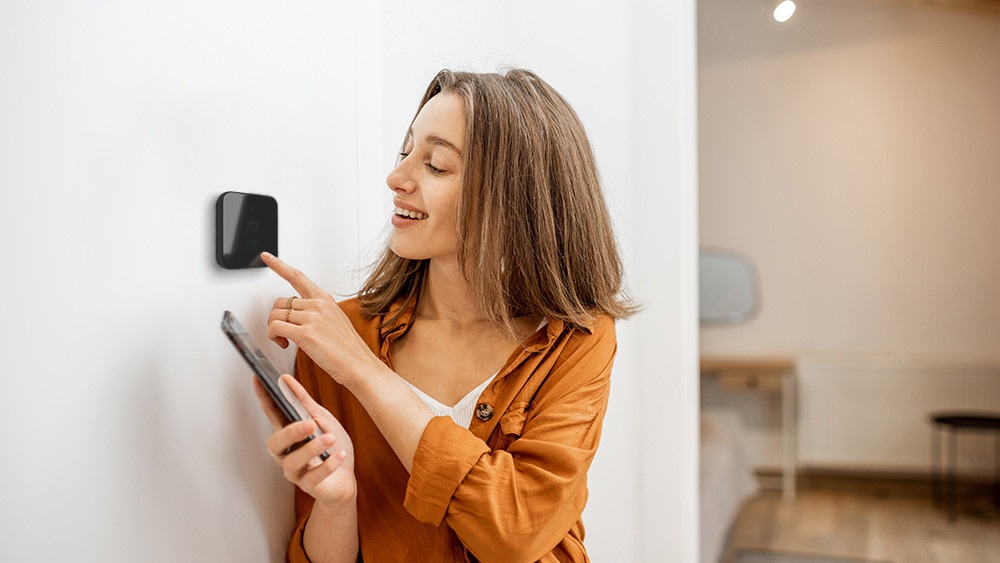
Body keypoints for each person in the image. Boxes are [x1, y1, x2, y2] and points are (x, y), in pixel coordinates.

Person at [253, 68, 636, 563]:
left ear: (513, 200)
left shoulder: (578, 340)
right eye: (405, 152)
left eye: (435, 165)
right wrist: (337, 502)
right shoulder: (337, 337)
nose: (397, 179)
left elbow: (514, 533)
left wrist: (365, 372)